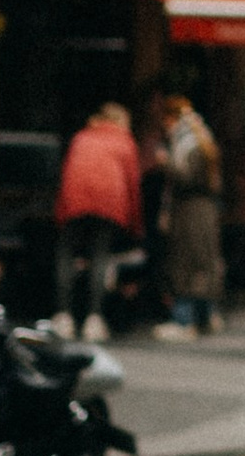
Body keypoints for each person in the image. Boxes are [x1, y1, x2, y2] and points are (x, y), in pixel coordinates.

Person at [51, 100, 141, 338]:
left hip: (75, 201)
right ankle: (94, 317)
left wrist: (60, 212)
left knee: (66, 255)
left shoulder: (81, 138)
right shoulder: (125, 142)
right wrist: (136, 225)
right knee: (100, 256)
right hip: (109, 203)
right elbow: (133, 185)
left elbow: (67, 175)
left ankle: (64, 316)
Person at [157, 96, 224, 337]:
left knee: (186, 261)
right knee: (204, 260)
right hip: (204, 209)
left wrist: (166, 163)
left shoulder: (188, 142)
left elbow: (186, 177)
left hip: (190, 210)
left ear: (171, 118)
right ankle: (206, 315)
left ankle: (184, 320)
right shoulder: (202, 137)